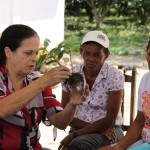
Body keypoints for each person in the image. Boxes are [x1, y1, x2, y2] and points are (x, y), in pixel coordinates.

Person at [0, 24, 88, 150]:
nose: (34, 59)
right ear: (8, 52)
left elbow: (60, 123)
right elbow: (3, 109)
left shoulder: (36, 82)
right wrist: (42, 82)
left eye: (35, 53)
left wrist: (72, 104)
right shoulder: (39, 83)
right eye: (28, 53)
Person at [58, 30, 125, 150]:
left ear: (106, 55)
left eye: (97, 54)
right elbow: (65, 113)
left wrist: (74, 135)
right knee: (78, 144)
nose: (90, 59)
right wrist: (95, 130)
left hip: (111, 131)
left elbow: (110, 120)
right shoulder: (71, 75)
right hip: (86, 130)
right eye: (87, 53)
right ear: (81, 52)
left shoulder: (114, 76)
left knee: (78, 144)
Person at [97, 38, 150, 150]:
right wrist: (119, 147)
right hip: (144, 141)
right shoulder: (146, 79)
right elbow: (139, 121)